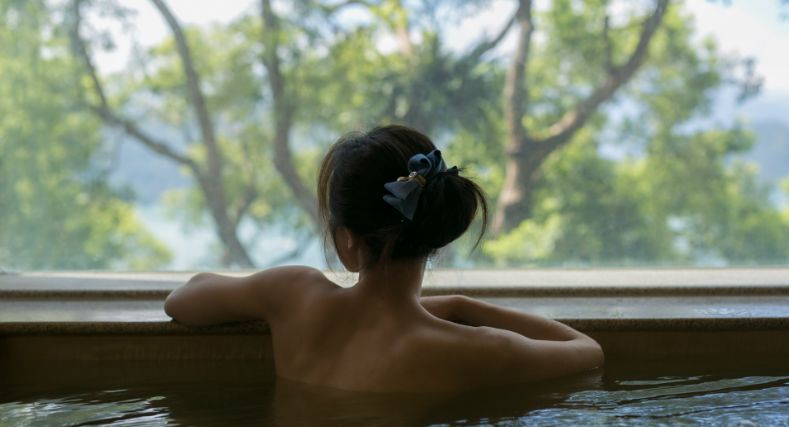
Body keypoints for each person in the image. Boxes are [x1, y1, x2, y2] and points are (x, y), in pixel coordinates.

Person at [165, 125, 603, 392]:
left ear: (347, 241)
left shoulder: (292, 295)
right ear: (437, 231)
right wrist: (462, 306)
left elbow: (182, 300)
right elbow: (588, 352)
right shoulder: (474, 351)